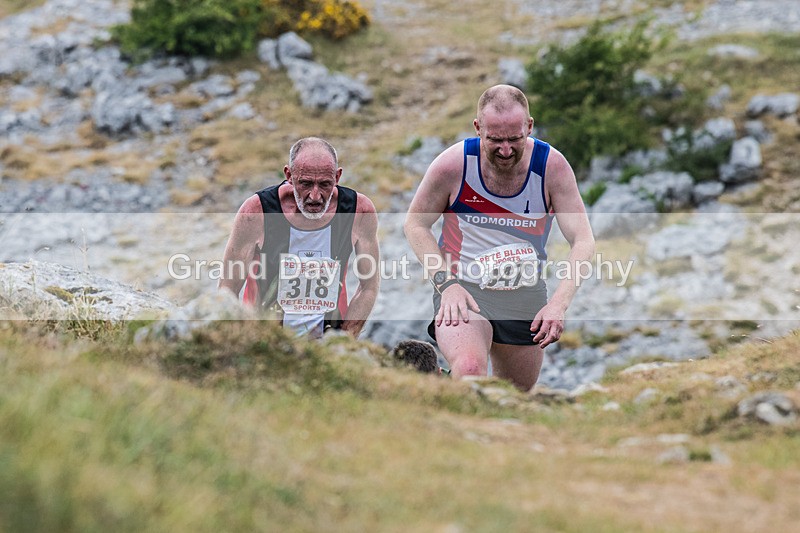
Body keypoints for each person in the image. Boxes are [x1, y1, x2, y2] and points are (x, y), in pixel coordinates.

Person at [403, 85, 595, 391]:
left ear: (529, 126)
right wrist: (446, 284)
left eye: (514, 139)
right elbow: (415, 224)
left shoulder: (551, 167)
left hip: (523, 294)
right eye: (495, 140)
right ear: (478, 128)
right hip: (464, 289)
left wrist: (558, 305)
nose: (505, 151)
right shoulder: (453, 165)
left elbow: (583, 239)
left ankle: (439, 391)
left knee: (514, 395)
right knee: (469, 371)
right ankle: (444, 398)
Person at [219, 137, 380, 338]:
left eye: (325, 184)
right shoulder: (256, 212)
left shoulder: (358, 211)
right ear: (289, 175)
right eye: (305, 183)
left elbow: (369, 287)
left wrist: (343, 340)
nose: (315, 196)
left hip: (328, 339)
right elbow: (227, 289)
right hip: (264, 339)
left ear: (337, 177)